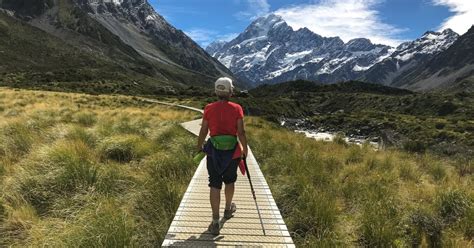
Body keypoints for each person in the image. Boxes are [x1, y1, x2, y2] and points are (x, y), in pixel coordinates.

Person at [196, 77, 248, 236]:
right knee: (230, 180)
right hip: (232, 152)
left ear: (216, 91)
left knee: (214, 183)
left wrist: (199, 146)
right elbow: (241, 132)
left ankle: (215, 220)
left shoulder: (209, 108)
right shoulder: (237, 108)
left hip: (214, 152)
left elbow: (204, 130)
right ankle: (227, 209)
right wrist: (245, 149)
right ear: (230, 91)